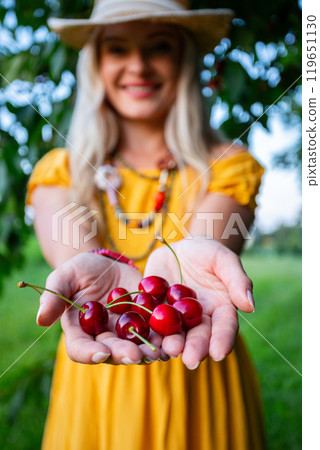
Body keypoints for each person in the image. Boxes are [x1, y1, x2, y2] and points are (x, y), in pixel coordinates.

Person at [26, 1, 266, 448]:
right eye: (117, 48)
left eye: (158, 47)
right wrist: (89, 262)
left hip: (201, 368)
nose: (137, 64)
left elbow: (211, 239)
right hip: (98, 373)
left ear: (185, 62)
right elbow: (71, 247)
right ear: (96, 64)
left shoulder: (229, 166)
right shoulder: (61, 170)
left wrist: (192, 265)